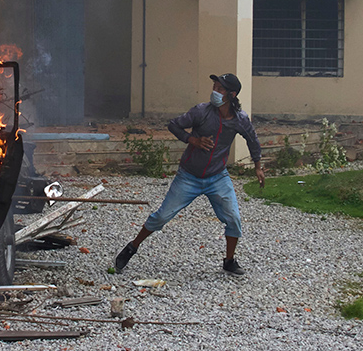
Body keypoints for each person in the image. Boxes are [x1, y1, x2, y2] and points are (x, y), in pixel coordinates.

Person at [113, 73, 264, 276]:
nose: (215, 92)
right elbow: (173, 125)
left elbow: (252, 140)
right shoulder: (201, 111)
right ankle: (132, 247)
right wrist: (192, 140)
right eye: (214, 87)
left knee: (234, 219)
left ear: (232, 94)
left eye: (220, 89)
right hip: (189, 176)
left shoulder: (240, 119)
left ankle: (229, 261)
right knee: (162, 217)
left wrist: (258, 166)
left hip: (218, 177)